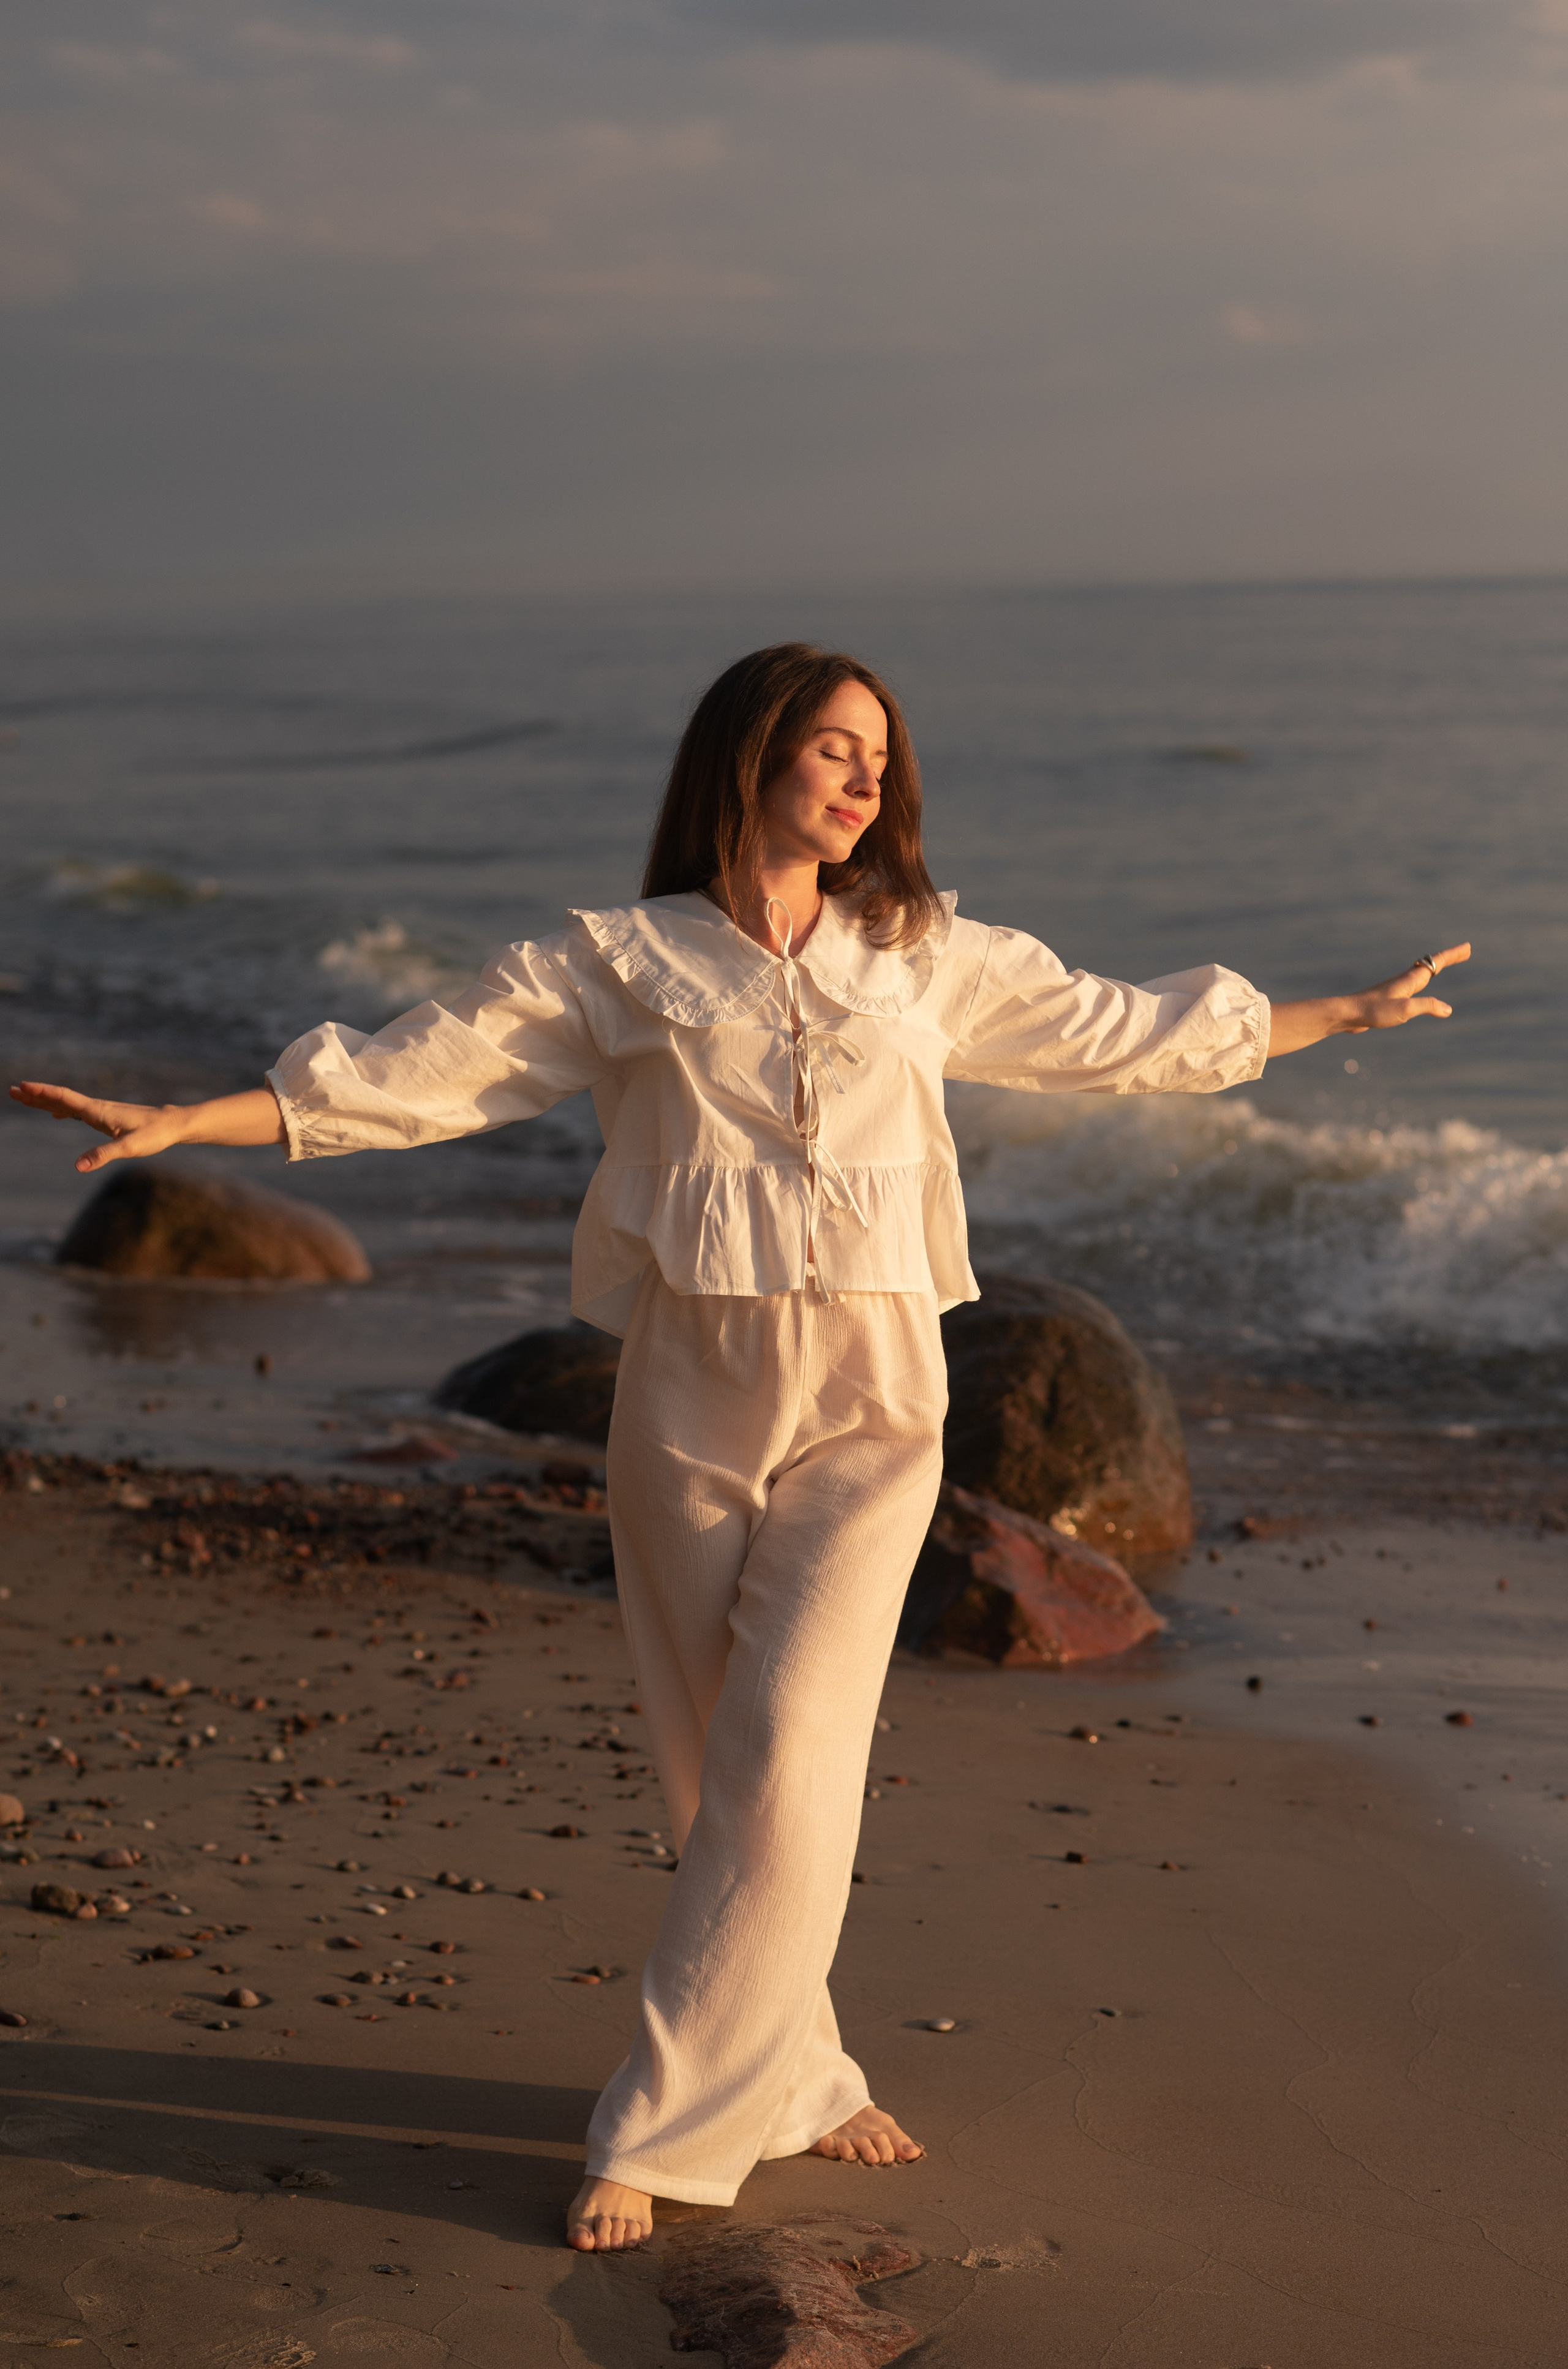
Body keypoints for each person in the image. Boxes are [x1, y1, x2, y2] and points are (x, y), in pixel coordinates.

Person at [12, 641, 1468, 2253]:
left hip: (874, 1399)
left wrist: (1345, 1012)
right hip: (689, 1400)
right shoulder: (621, 961)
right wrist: (190, 1124)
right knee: (721, 1772)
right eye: (835, 750)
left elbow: (1117, 1028)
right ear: (750, 752)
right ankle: (806, 2071)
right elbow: (425, 1071)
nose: (864, 781)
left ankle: (660, 2125)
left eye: (878, 761)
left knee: (788, 1749)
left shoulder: (920, 952)